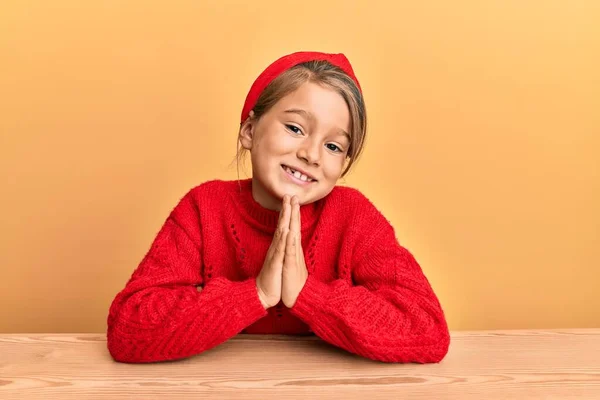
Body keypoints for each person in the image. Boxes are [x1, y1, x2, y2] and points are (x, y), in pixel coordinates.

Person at [106, 51, 450, 364]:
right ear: (250, 130)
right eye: (295, 128)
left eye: (332, 146)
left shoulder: (354, 217)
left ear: (344, 165)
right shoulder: (203, 208)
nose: (311, 155)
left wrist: (308, 294)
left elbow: (428, 331)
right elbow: (127, 330)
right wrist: (256, 293)